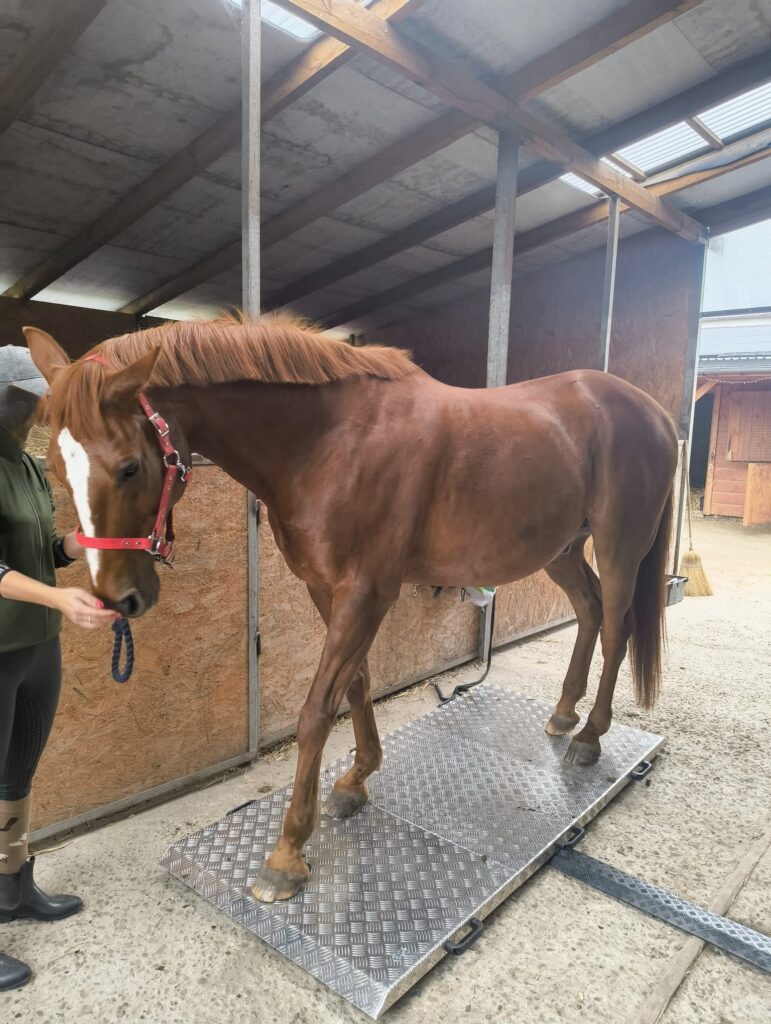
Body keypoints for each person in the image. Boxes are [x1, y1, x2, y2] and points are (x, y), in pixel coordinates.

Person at [0, 345, 116, 991]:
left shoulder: (28, 466)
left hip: (40, 648)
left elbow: (38, 550)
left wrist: (78, 545)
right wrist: (55, 597)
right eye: (26, 398)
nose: (36, 410)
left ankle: (13, 890)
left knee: (15, 779)